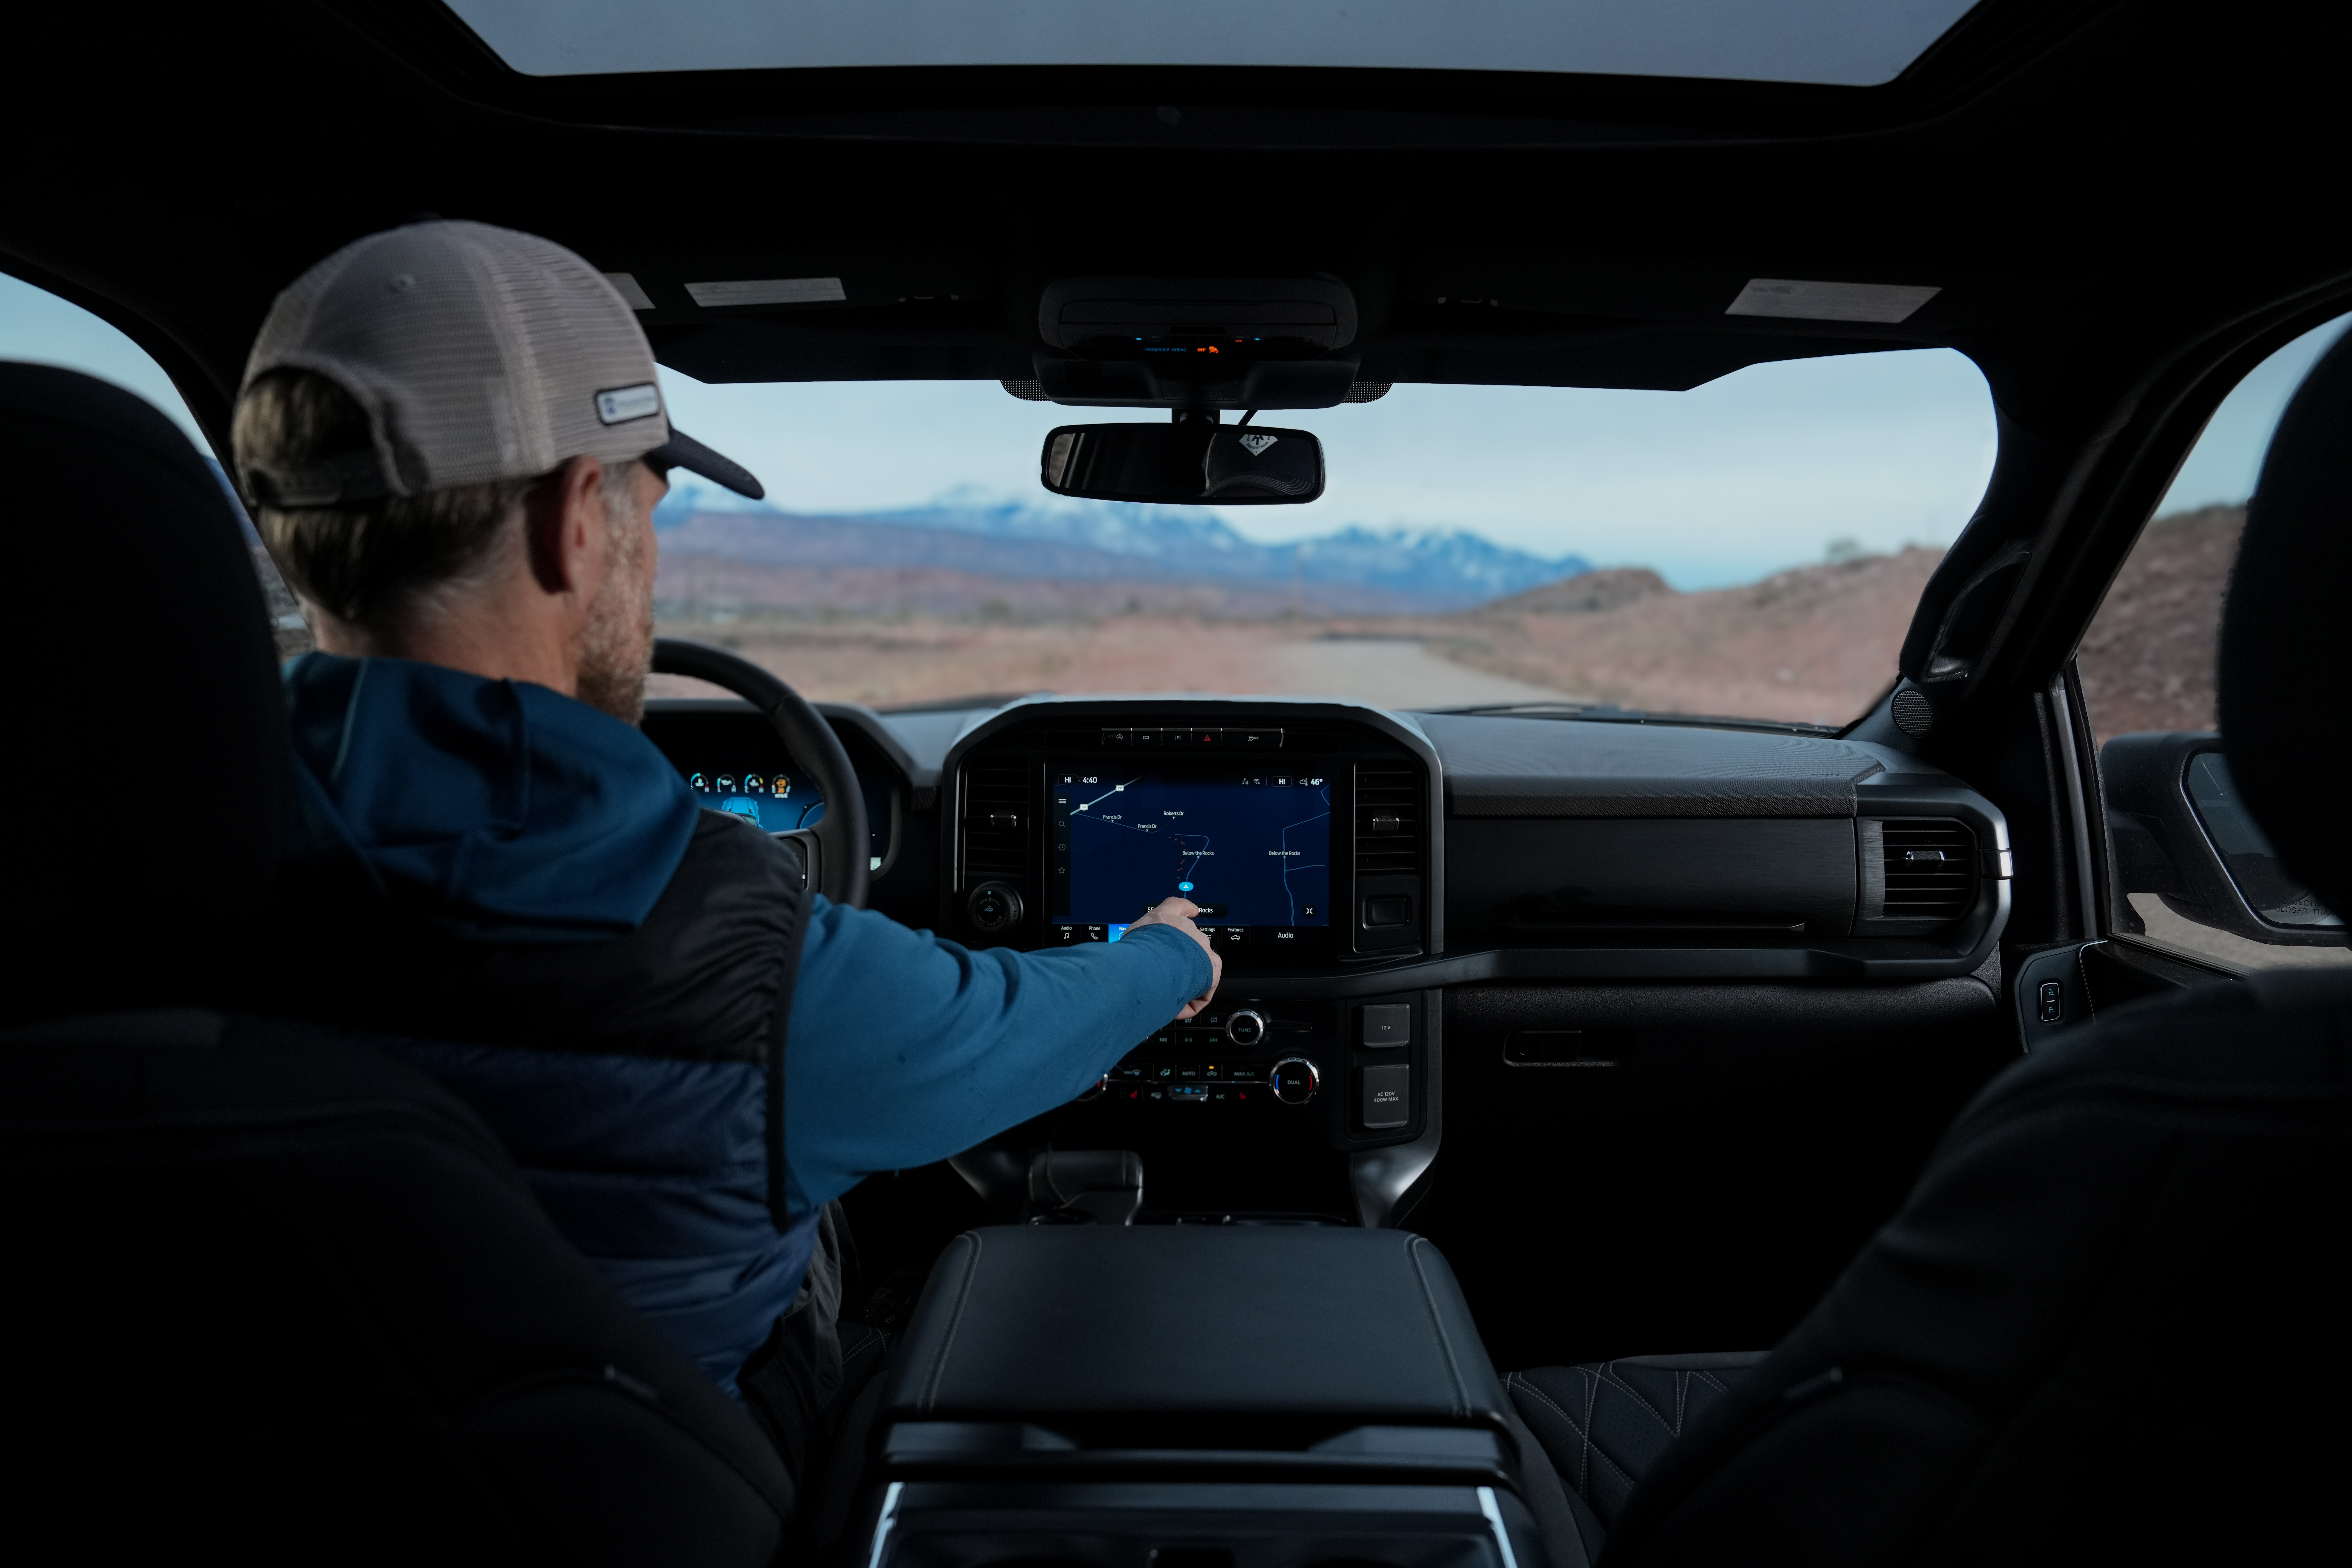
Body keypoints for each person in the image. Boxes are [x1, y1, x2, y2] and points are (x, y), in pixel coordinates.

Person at [232, 220, 1219, 1495]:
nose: (653, 552)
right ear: (578, 522)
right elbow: (1005, 1029)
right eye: (651, 506)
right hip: (658, 1486)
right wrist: (1164, 960)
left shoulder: (122, 860)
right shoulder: (733, 951)